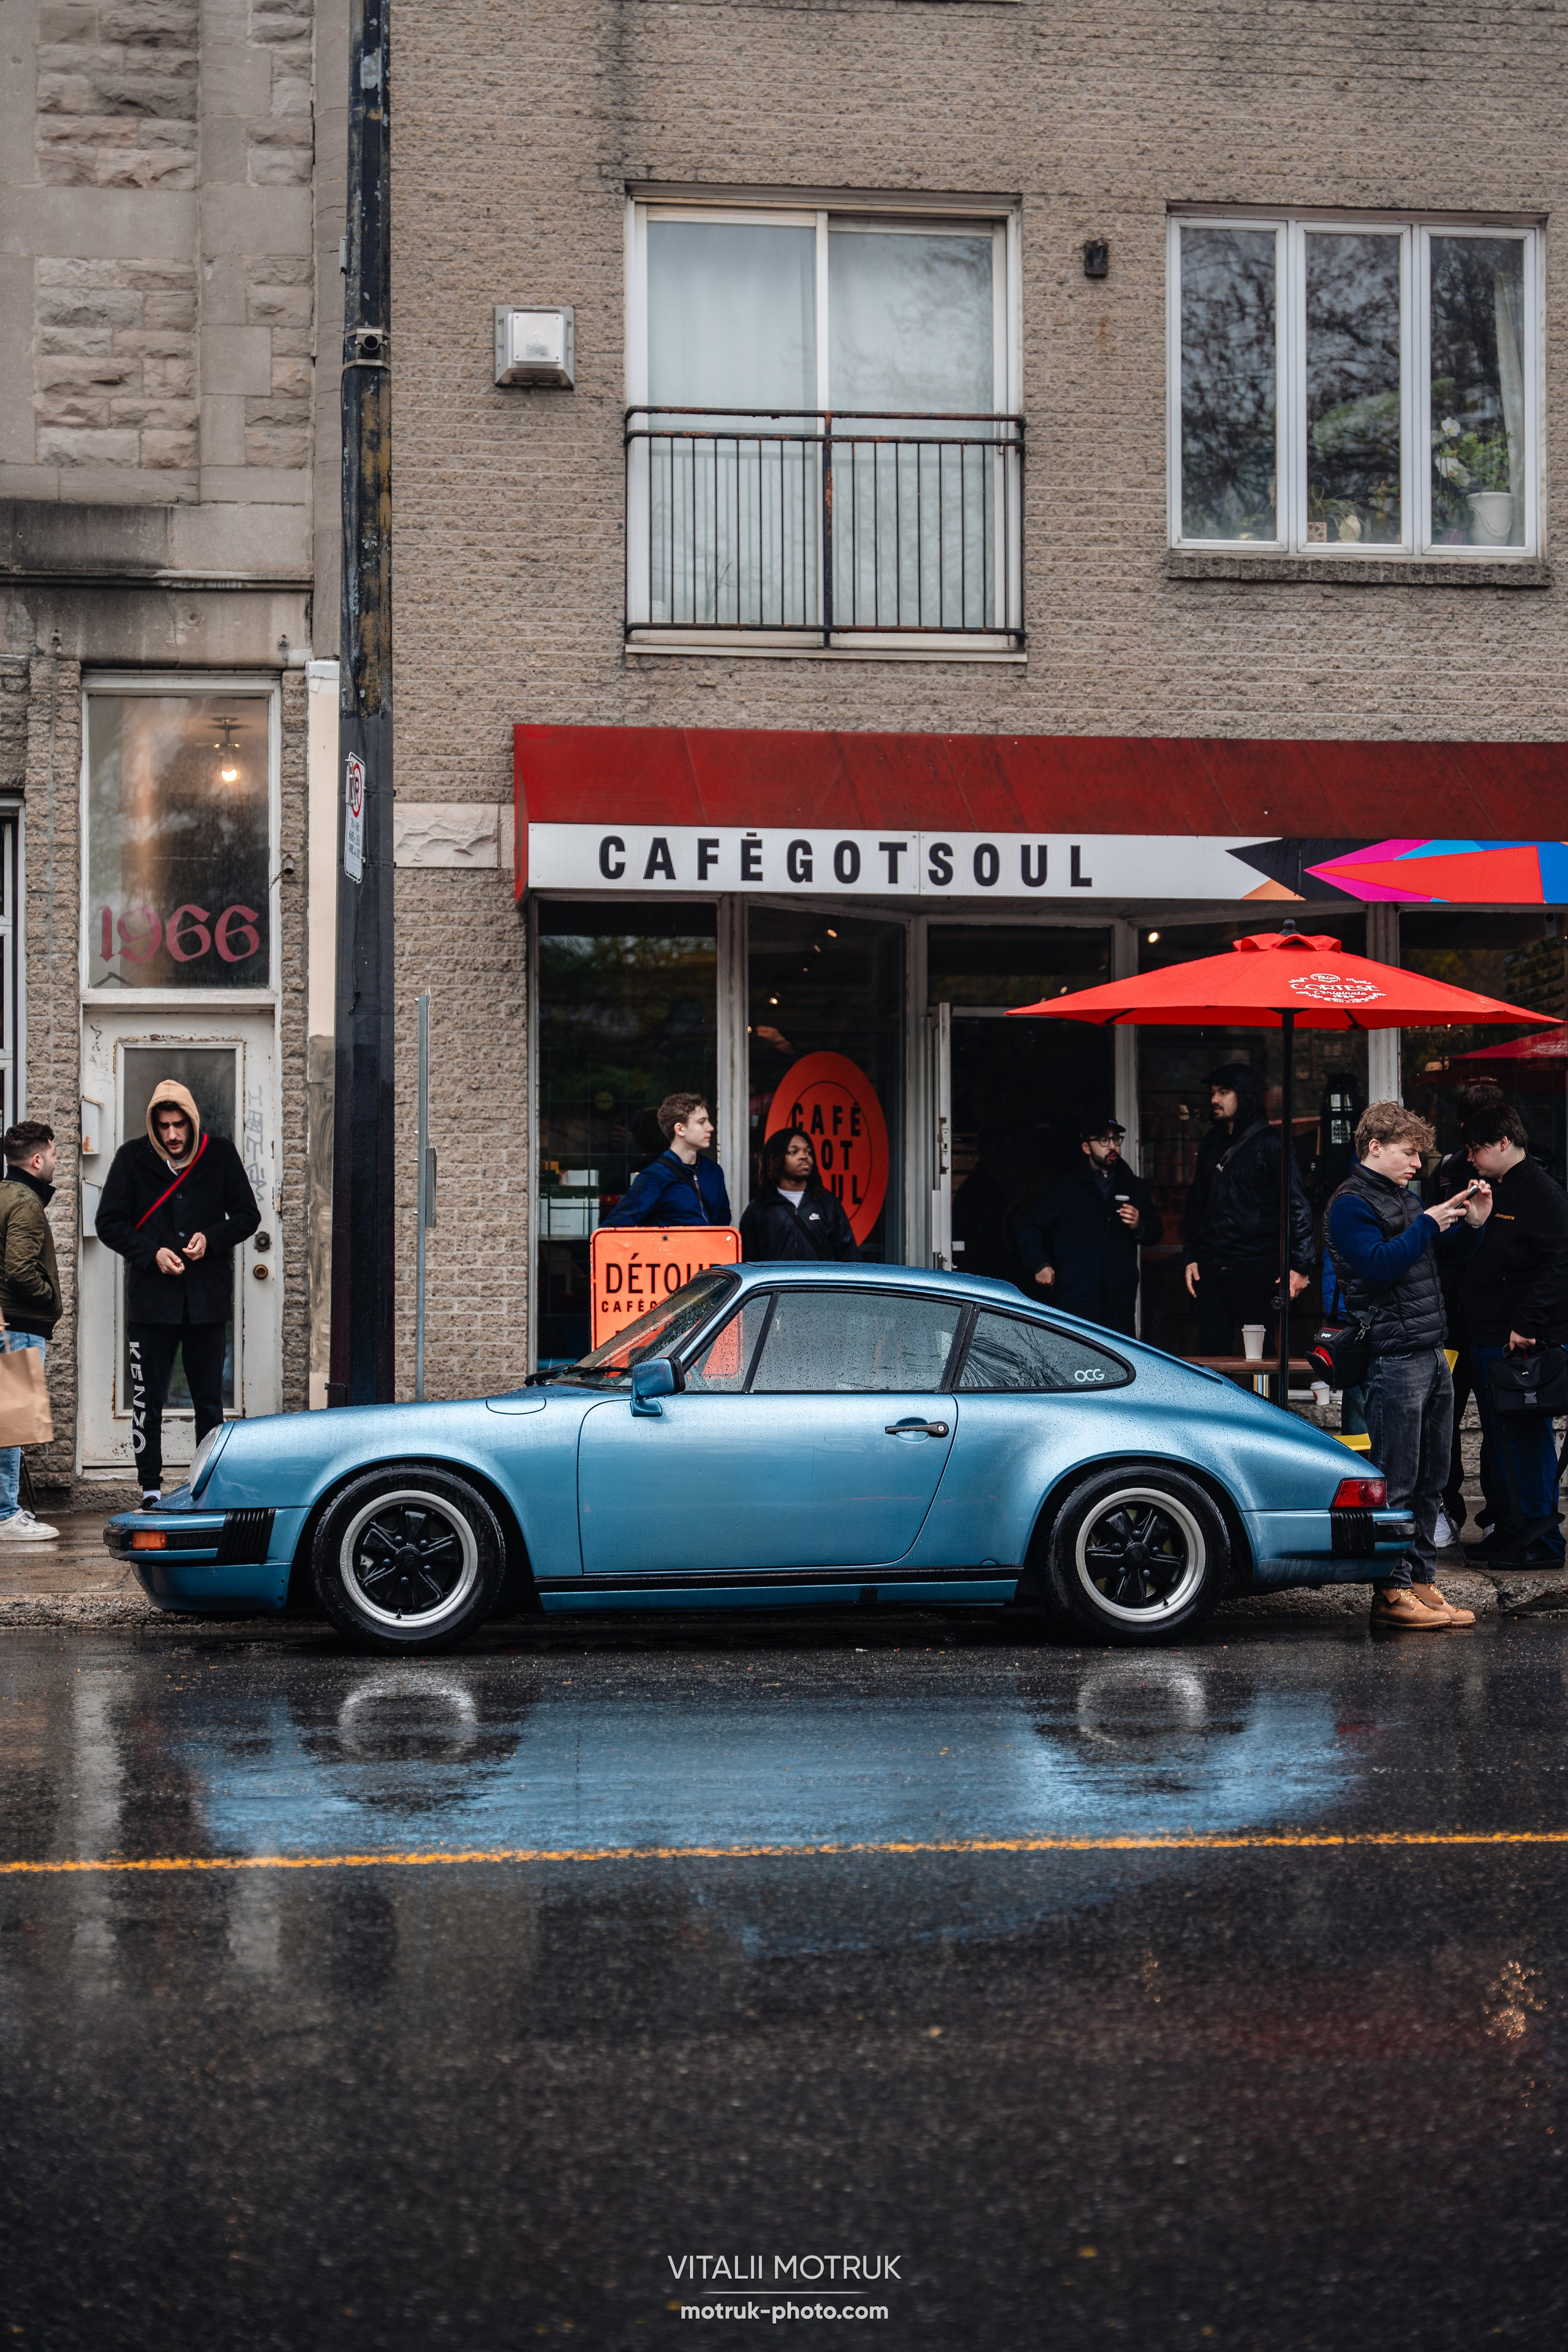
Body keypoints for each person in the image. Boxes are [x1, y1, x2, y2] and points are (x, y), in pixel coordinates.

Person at [1325, 1101, 1492, 1629]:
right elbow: (1376, 1268)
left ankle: (1420, 1580)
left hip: (1430, 1350)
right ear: (1375, 1146)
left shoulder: (1404, 1197)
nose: (1417, 1163)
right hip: (1392, 1357)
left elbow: (1439, 1259)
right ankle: (1391, 1594)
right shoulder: (1349, 1204)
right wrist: (1425, 1223)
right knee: (1397, 1480)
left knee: (1432, 1479)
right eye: (1408, 1152)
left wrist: (1473, 1226)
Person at [96, 1082, 260, 1506]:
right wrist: (152, 1254)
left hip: (206, 1301)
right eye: (164, 1126)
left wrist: (211, 1238)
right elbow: (109, 1222)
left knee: (209, 1402)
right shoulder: (131, 1158)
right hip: (152, 1305)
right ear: (153, 1126)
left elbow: (247, 1215)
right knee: (145, 1399)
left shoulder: (219, 1154)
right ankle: (149, 1488)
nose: (172, 1135)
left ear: (192, 1121)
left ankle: (206, 1487)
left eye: (179, 1125)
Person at [1455, 1094, 1568, 1570]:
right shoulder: (1493, 1188)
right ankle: (1509, 1530)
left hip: (1519, 1342)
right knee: (1501, 1445)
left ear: (1505, 1142)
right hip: (1485, 1335)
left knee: (1526, 1441)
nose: (1470, 1157)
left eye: (1477, 1147)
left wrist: (1528, 1325)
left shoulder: (1540, 1192)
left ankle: (1542, 1543)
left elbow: (1561, 1263)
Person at [1182, 1061, 1313, 1354]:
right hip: (1211, 1270)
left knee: (1261, 1360)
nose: (1214, 1099)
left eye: (1224, 1092)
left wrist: (1301, 1266)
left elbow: (1297, 1205)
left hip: (1257, 1270)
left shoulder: (1272, 1143)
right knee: (1211, 1355)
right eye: (1214, 1092)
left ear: (1246, 1095)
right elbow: (1197, 1204)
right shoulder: (1211, 1143)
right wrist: (1191, 1255)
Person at [1433, 1083, 1511, 1547]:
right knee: (1444, 1419)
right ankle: (1447, 1508)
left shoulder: (1525, 1170)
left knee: (1500, 1424)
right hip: (1454, 1314)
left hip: (1496, 1318)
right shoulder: (1449, 1169)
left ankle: (1499, 1512)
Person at [1015, 1115, 1161, 1337]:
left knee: (1121, 1361)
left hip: (1119, 1297)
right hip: (1077, 1295)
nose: (1112, 1146)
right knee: (1076, 1360)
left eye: (1116, 1139)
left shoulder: (1133, 1186)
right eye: (1104, 1140)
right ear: (1086, 1147)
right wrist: (1040, 1264)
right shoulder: (1068, 1187)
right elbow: (1029, 1225)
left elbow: (1155, 1233)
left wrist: (1140, 1224)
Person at [0, 1121, 62, 1542]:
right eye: (55, 1155)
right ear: (37, 1160)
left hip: (10, 1321)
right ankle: (7, 1515)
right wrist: (47, 1300)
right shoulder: (25, 1203)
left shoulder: (4, 1194)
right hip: (20, 1325)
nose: (56, 1162)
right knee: (12, 1422)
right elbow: (20, 1268)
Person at [600, 1093, 731, 1228]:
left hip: (712, 1248)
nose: (710, 1128)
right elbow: (614, 1227)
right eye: (701, 1122)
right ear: (680, 1129)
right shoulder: (655, 1177)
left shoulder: (714, 1171)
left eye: (708, 1121)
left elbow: (723, 1222)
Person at [740, 1128, 858, 1262]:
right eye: (793, 1152)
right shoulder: (759, 1208)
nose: (804, 1156)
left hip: (821, 1282)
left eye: (808, 1152)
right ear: (776, 1159)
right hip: (778, 1283)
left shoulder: (827, 1204)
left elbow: (849, 1256)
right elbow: (748, 1261)